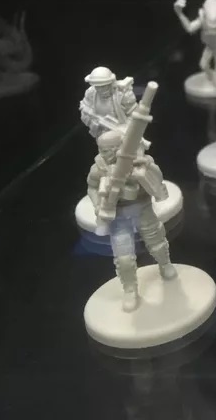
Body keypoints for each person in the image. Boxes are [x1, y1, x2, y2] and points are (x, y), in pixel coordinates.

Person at [87, 130, 175, 312]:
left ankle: (165, 264)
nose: (104, 154)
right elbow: (92, 187)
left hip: (142, 207)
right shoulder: (99, 168)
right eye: (102, 150)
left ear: (119, 147)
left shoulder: (138, 159)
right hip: (117, 214)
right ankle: (130, 289)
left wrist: (146, 168)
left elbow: (158, 178)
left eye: (108, 150)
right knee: (124, 258)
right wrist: (97, 205)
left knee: (157, 243)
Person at [79, 66, 137, 139]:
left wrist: (127, 129)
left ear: (111, 83)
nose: (100, 90)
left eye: (104, 86)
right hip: (101, 133)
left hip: (122, 133)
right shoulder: (91, 93)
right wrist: (94, 123)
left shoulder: (123, 95)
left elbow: (134, 116)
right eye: (97, 87)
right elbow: (84, 109)